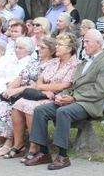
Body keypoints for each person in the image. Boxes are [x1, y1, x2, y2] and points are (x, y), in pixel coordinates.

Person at [24, 30, 104, 170]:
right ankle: (43, 152)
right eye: (84, 41)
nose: (84, 45)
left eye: (87, 42)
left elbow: (100, 91)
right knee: (40, 110)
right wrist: (62, 95)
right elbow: (72, 84)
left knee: (63, 112)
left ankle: (62, 156)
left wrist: (73, 98)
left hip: (89, 104)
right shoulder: (83, 62)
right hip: (73, 99)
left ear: (98, 43)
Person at [11, 33, 80, 161]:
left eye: (60, 45)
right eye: (57, 44)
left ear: (69, 49)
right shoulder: (53, 62)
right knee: (18, 105)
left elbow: (64, 85)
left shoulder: (75, 64)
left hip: (60, 98)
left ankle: (34, 147)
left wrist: (44, 87)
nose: (56, 47)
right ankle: (18, 144)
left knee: (31, 107)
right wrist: (44, 89)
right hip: (44, 96)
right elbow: (38, 83)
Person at [0, 37, 56, 158]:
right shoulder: (34, 61)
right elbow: (20, 77)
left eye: (42, 47)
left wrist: (16, 90)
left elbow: (37, 85)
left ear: (52, 50)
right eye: (38, 46)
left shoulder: (52, 64)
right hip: (21, 92)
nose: (39, 49)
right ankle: (0, 140)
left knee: (12, 107)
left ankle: (9, 142)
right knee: (3, 104)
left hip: (33, 93)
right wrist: (10, 89)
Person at [0, 37, 35, 155]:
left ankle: (9, 141)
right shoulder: (13, 61)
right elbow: (3, 75)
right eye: (16, 47)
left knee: (8, 107)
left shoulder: (30, 62)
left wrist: (10, 86)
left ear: (28, 50)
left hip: (21, 93)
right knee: (2, 105)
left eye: (20, 48)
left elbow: (23, 80)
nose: (17, 50)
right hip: (7, 90)